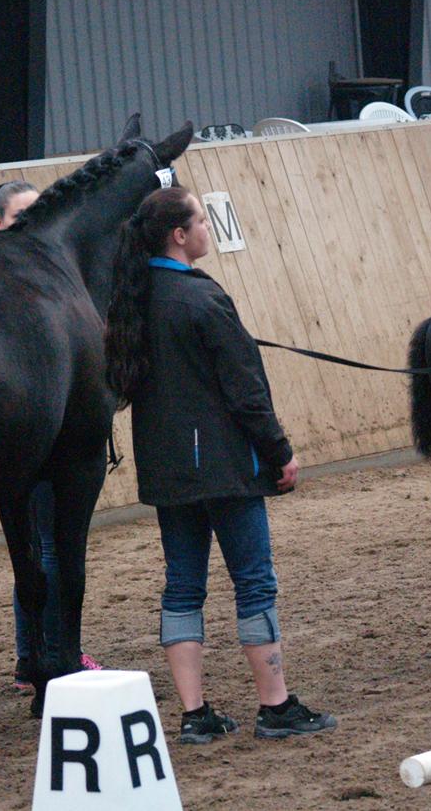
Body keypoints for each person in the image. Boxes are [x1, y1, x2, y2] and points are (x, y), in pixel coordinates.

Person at [103, 186, 336, 743]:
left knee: (182, 587)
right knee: (254, 582)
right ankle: (275, 706)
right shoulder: (201, 299)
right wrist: (279, 451)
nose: (209, 228)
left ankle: (195, 714)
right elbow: (246, 392)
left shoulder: (133, 300)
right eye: (202, 220)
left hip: (167, 469)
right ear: (180, 236)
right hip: (225, 467)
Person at [0, 180, 103, 691]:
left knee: (34, 553)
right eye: (20, 217)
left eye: (38, 215)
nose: (33, 227)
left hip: (26, 435)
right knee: (47, 550)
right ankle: (52, 651)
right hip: (32, 439)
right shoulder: (7, 289)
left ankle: (32, 653)